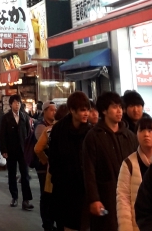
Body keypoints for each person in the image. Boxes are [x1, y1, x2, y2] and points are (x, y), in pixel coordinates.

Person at [83, 91, 137, 231]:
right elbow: (89, 170)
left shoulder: (129, 136)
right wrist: (94, 198)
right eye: (114, 107)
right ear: (104, 111)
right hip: (105, 195)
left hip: (129, 195)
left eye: (120, 107)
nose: (119, 111)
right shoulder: (93, 136)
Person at [48, 90, 91, 231]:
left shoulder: (90, 131)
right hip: (64, 188)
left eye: (87, 110)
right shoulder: (59, 130)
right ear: (72, 110)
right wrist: (57, 179)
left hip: (85, 188)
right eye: (82, 110)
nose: (86, 113)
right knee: (67, 224)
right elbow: (53, 158)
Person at [117, 116, 152, 231]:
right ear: (136, 135)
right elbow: (123, 198)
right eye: (142, 130)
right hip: (138, 224)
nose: (146, 134)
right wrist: (126, 227)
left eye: (150, 130)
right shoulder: (128, 163)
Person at [0, 93, 33, 209]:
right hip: (11, 150)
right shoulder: (6, 118)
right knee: (12, 175)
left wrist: (29, 149)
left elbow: (28, 133)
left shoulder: (24, 117)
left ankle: (26, 200)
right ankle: (14, 197)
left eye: (18, 103)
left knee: (25, 175)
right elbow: (2, 135)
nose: (17, 105)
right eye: (14, 103)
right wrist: (4, 149)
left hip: (23, 150)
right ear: (10, 104)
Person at [33, 100, 57, 231]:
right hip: (43, 166)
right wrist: (46, 160)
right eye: (52, 110)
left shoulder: (54, 125)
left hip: (51, 166)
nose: (54, 112)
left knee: (50, 194)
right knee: (45, 194)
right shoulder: (41, 126)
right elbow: (39, 148)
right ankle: (47, 223)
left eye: (55, 110)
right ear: (45, 111)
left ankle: (50, 221)